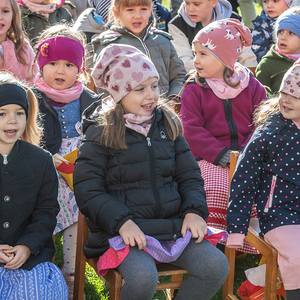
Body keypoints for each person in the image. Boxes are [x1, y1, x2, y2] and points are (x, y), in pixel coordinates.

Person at [73, 44, 229, 300]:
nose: (151, 96)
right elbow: (87, 189)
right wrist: (122, 222)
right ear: (118, 94)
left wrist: (193, 211)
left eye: (154, 86)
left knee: (215, 266)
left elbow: (189, 176)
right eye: (140, 89)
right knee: (144, 277)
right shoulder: (101, 133)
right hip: (123, 233)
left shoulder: (168, 125)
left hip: (172, 229)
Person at [31, 24, 107, 299]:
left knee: (78, 227)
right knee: (40, 228)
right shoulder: (31, 99)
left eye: (68, 64)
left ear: (80, 69)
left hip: (79, 181)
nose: (60, 71)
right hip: (44, 179)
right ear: (40, 66)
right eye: (52, 63)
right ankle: (43, 278)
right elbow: (25, 137)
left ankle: (73, 278)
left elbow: (101, 139)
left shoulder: (91, 101)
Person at [180, 19, 268, 253]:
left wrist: (247, 155)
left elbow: (262, 124)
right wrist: (222, 156)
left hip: (248, 159)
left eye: (203, 54)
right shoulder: (194, 88)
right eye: (194, 53)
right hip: (208, 158)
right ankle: (212, 242)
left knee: (263, 188)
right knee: (215, 190)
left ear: (225, 58)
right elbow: (191, 129)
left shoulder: (252, 86)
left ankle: (252, 242)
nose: (196, 60)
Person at [227, 59, 300, 300]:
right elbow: (243, 180)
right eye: (283, 92)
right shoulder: (270, 132)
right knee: (298, 254)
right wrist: (236, 229)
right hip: (279, 213)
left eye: (295, 96)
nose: (286, 100)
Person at [0, 72, 68, 300]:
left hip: (30, 257)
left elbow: (46, 213)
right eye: (2, 114)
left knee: (38, 292)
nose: (12, 120)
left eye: (19, 113)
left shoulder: (41, 160)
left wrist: (27, 246)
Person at [92, 0, 187, 102]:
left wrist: (174, 100)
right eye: (130, 10)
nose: (138, 16)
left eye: (143, 9)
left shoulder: (162, 40)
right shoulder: (109, 46)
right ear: (116, 12)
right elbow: (104, 88)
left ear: (150, 10)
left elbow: (179, 76)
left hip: (166, 112)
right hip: (127, 115)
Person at [168, 0, 257, 73]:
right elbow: (185, 63)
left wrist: (245, 80)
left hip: (234, 78)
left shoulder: (233, 20)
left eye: (196, 4)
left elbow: (247, 58)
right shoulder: (177, 25)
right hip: (197, 80)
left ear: (213, 2)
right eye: (187, 3)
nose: (190, 9)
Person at [255, 7, 300, 96]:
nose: (283, 37)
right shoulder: (267, 64)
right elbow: (259, 97)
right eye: (280, 32)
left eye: (291, 33)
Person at [0, 0, 37, 84]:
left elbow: (34, 82)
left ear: (13, 14)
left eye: (5, 11)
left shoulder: (24, 48)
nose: (0, 17)